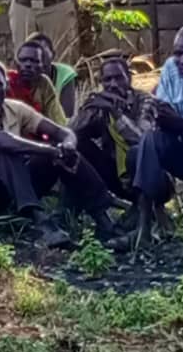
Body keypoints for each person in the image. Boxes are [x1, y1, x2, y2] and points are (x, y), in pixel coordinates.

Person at [0, 60, 119, 246]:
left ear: (6, 85)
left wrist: (67, 146)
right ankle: (42, 225)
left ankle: (102, 218)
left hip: (8, 189)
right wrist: (51, 151)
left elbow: (63, 132)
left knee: (63, 149)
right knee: (4, 146)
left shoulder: (15, 108)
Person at [72, 55, 156, 202]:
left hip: (146, 176)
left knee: (135, 153)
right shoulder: (100, 101)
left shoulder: (145, 101)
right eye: (107, 79)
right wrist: (88, 110)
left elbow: (142, 140)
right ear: (101, 82)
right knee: (74, 142)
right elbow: (70, 132)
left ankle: (143, 207)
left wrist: (115, 112)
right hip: (113, 173)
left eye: (119, 78)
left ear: (129, 79)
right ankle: (78, 207)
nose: (113, 84)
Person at [129, 28, 183, 237]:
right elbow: (162, 110)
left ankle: (144, 226)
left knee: (147, 147)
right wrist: (158, 115)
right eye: (178, 53)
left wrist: (178, 123)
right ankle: (145, 223)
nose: (180, 60)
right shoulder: (171, 69)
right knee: (140, 150)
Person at [7, 39, 67, 126]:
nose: (28, 65)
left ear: (43, 66)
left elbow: (58, 119)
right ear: (16, 64)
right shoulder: (7, 82)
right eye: (23, 60)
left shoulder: (44, 83)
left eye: (34, 61)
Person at [28, 32, 77, 118]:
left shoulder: (64, 74)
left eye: (44, 55)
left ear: (53, 55)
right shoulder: (20, 77)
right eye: (33, 58)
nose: (39, 62)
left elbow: (67, 115)